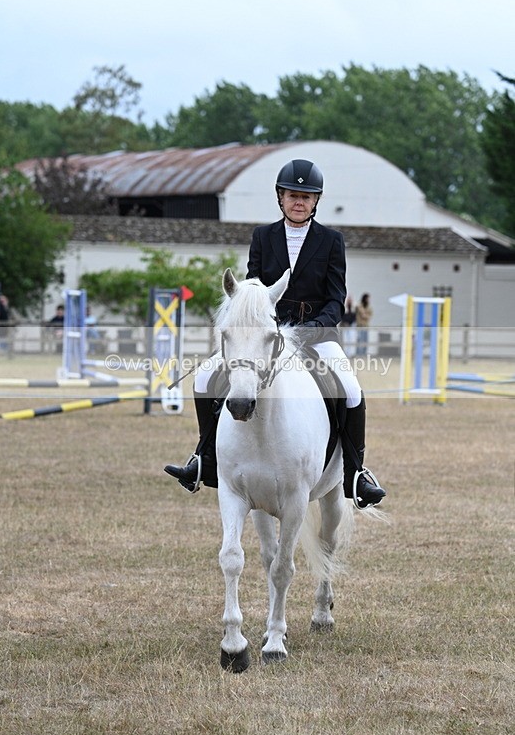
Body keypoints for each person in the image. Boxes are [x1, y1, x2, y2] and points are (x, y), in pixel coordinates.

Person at [165, 159, 386, 510]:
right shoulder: (262, 237)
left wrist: (309, 331)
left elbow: (334, 300)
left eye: (307, 197)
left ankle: (356, 474)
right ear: (280, 198)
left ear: (316, 201)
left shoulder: (331, 241)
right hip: (266, 336)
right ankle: (204, 458)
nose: (299, 202)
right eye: (293, 195)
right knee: (206, 377)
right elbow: (253, 290)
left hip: (318, 335)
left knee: (350, 388)